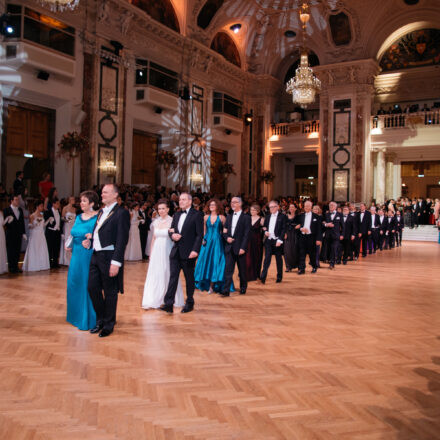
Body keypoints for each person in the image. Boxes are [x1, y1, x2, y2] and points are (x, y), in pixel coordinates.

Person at [86, 184, 130, 337]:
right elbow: (99, 232)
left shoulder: (121, 213)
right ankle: (101, 319)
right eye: (102, 192)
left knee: (110, 291)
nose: (102, 194)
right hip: (96, 255)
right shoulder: (101, 212)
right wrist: (90, 241)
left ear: (115, 195)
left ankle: (108, 324)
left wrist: (116, 262)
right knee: (92, 287)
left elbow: (121, 239)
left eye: (105, 192)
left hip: (110, 256)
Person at [160, 192, 204, 313]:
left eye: (184, 200)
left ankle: (190, 302)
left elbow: (199, 235)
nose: (181, 202)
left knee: (189, 278)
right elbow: (171, 230)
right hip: (176, 251)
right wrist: (172, 235)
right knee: (173, 277)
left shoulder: (197, 214)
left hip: (189, 252)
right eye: (180, 200)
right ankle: (169, 304)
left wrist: (195, 250)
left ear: (190, 201)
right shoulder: (177, 214)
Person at [142, 200, 184, 309]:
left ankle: (169, 298)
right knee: (155, 273)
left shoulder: (172, 221)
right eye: (159, 209)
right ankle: (154, 298)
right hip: (156, 250)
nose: (161, 211)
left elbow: (175, 236)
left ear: (168, 209)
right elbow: (153, 238)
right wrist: (151, 253)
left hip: (168, 249)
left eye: (163, 208)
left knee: (168, 272)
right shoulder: (156, 222)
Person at [66, 191, 99, 331]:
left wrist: (92, 236)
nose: (81, 203)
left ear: (92, 203)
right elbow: (73, 233)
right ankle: (75, 316)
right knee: (74, 282)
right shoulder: (79, 217)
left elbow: (101, 235)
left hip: (88, 254)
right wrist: (70, 244)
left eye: (84, 201)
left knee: (87, 284)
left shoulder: (98, 217)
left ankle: (89, 318)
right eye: (81, 201)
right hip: (76, 255)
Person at [194, 199, 228, 293]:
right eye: (210, 205)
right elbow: (204, 230)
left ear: (217, 206)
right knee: (204, 261)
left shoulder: (222, 217)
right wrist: (203, 239)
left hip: (217, 241)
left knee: (216, 262)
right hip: (207, 241)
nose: (211, 206)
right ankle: (203, 283)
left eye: (213, 204)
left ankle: (213, 285)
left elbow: (225, 231)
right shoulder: (205, 217)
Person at [219, 196, 251, 296]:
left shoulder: (246, 217)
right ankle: (226, 290)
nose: (233, 204)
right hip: (229, 247)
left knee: (242, 270)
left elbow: (247, 234)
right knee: (228, 270)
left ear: (240, 204)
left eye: (235, 202)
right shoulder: (229, 216)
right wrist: (227, 238)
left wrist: (243, 247)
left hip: (240, 247)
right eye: (232, 202)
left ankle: (243, 287)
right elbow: (224, 231)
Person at [260, 200, 287, 283]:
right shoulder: (267, 217)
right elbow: (264, 227)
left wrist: (280, 240)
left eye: (273, 207)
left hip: (277, 241)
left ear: (277, 207)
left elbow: (283, 229)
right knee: (267, 259)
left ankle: (279, 277)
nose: (271, 208)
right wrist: (265, 232)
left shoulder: (282, 217)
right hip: (269, 240)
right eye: (270, 207)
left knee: (278, 259)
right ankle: (263, 277)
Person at [296, 200, 322, 274]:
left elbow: (319, 229)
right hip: (302, 237)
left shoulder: (316, 216)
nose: (306, 207)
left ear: (311, 207)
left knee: (312, 254)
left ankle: (314, 267)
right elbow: (297, 226)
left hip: (312, 237)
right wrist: (301, 229)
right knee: (301, 253)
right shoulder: (300, 216)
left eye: (308, 206)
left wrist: (318, 239)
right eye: (305, 206)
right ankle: (302, 269)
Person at [23, 201, 50, 272]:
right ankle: (33, 265)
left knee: (41, 248)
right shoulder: (32, 215)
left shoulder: (42, 215)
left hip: (41, 234)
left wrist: (48, 221)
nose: (42, 207)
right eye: (41, 206)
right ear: (37, 207)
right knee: (34, 248)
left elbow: (43, 225)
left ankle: (42, 265)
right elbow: (29, 226)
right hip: (35, 234)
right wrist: (34, 225)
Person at [3, 195, 26, 273]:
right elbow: (4, 224)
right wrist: (8, 222)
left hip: (18, 233)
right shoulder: (6, 210)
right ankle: (11, 267)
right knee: (11, 251)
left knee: (17, 250)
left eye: (18, 200)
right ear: (11, 201)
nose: (17, 201)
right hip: (10, 233)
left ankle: (16, 266)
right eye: (16, 200)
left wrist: (23, 233)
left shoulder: (20, 210)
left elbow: (22, 222)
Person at [323, 201, 344, 269]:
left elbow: (343, 226)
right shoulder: (326, 214)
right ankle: (330, 261)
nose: (331, 207)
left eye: (332, 205)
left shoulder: (340, 214)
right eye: (330, 206)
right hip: (328, 235)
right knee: (329, 249)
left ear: (335, 207)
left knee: (334, 249)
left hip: (336, 235)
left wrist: (342, 234)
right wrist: (327, 224)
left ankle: (332, 263)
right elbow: (322, 223)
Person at [245, 204, 264, 281]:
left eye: (254, 210)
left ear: (258, 211)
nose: (252, 211)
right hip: (248, 240)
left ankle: (255, 274)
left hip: (257, 240)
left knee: (256, 256)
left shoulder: (261, 219)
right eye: (251, 210)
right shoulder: (247, 218)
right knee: (247, 257)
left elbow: (265, 229)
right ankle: (247, 274)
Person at [44, 198, 62, 269]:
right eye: (57, 203)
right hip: (50, 232)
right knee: (50, 247)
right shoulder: (48, 212)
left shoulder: (59, 212)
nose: (58, 205)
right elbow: (45, 223)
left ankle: (55, 263)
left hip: (57, 232)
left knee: (56, 248)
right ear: (53, 204)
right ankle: (49, 263)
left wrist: (61, 231)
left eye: (59, 203)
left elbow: (60, 222)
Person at [59, 196, 77, 266]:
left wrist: (73, 221)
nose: (74, 200)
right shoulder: (65, 208)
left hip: (72, 226)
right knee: (67, 241)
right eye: (72, 199)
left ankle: (72, 259)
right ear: (69, 200)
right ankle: (66, 260)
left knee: (72, 241)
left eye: (74, 199)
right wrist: (67, 220)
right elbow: (62, 218)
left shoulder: (74, 209)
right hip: (67, 226)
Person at [284, 203, 299, 272]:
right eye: (290, 207)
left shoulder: (299, 216)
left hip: (296, 234)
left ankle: (297, 265)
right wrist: (284, 233)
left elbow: (302, 224)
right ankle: (288, 266)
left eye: (293, 207)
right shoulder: (285, 216)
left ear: (295, 208)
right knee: (287, 251)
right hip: (288, 234)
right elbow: (283, 226)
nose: (291, 208)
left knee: (295, 250)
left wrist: (300, 225)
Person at [0, 207, 8, 274]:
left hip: (1, 232)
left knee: (1, 249)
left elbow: (2, 223)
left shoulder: (1, 212)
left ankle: (2, 267)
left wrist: (7, 219)